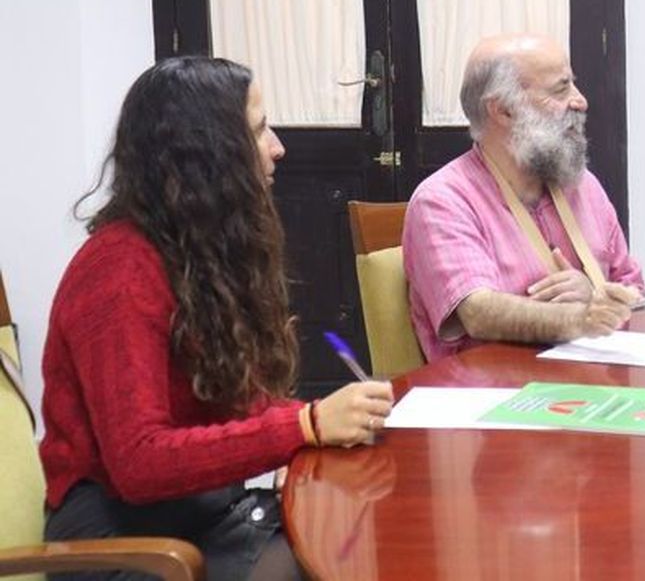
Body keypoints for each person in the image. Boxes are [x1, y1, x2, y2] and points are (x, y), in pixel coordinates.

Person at [39, 57, 394, 581]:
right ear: (206, 156)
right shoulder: (117, 271)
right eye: (258, 130)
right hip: (121, 539)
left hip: (195, 510)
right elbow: (139, 465)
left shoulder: (192, 251)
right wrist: (304, 425)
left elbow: (224, 403)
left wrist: (313, 422)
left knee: (354, 533)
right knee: (335, 559)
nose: (278, 147)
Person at [403, 34, 643, 361]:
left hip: (592, 388)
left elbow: (635, 293)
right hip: (494, 400)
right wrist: (581, 318)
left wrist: (596, 293)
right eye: (560, 89)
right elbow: (478, 313)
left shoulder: (583, 186)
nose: (581, 100)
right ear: (503, 111)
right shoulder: (442, 200)